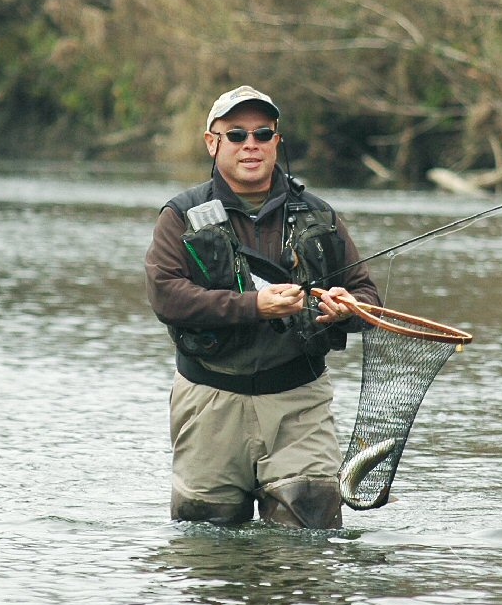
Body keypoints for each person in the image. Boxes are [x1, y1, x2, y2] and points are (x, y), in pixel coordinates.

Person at [145, 85, 380, 529]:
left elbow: (366, 294)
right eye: (236, 135)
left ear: (277, 141)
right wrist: (253, 306)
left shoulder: (320, 216)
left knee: (308, 541)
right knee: (207, 543)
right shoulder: (180, 215)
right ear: (212, 143)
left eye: (262, 134)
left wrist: (347, 308)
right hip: (210, 400)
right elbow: (166, 296)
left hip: (299, 404)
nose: (250, 144)